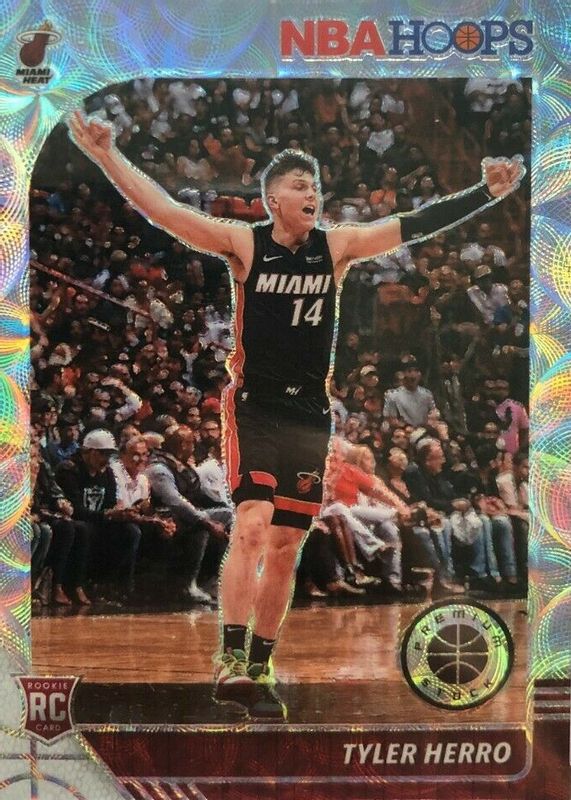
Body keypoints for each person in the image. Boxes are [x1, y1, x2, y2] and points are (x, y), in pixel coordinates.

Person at [68, 110, 524, 720]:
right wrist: (107, 156)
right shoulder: (245, 244)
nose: (313, 194)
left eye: (316, 187)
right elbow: (167, 213)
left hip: (310, 412)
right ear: (273, 200)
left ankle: (260, 665)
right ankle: (230, 657)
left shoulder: (336, 247)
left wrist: (484, 193)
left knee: (285, 544)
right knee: (252, 525)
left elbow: (411, 225)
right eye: (301, 186)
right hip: (256, 405)